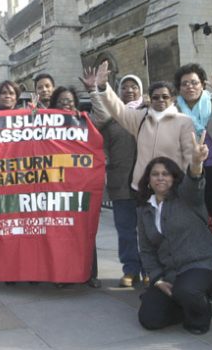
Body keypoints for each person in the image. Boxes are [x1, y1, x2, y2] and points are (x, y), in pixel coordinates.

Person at [136, 132, 212, 335]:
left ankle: (200, 316)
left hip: (201, 265)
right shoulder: (144, 210)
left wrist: (196, 162)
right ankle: (183, 304)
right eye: (155, 174)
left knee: (187, 291)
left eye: (165, 174)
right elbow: (146, 250)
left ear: (174, 178)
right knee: (149, 320)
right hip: (170, 273)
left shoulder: (187, 196)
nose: (160, 177)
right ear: (148, 180)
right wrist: (157, 280)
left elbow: (195, 179)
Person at [84, 61, 195, 198]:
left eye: (165, 97)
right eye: (156, 97)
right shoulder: (141, 118)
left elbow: (189, 157)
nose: (160, 100)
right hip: (144, 187)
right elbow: (118, 109)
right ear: (150, 99)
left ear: (172, 99)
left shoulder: (183, 122)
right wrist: (102, 87)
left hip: (172, 187)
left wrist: (186, 186)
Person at [174, 63, 212, 301]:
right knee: (195, 230)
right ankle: (197, 280)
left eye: (194, 82)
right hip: (188, 175)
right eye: (185, 83)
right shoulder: (172, 108)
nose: (190, 87)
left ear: (203, 84)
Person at [90, 74, 145, 288]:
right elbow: (97, 138)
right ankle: (130, 269)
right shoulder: (112, 116)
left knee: (147, 229)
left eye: (134, 87)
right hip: (120, 181)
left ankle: (149, 268)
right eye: (125, 87)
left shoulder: (148, 113)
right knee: (125, 230)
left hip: (146, 183)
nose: (129, 91)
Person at [48, 86, 101, 289]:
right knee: (61, 233)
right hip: (56, 187)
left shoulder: (84, 121)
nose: (66, 105)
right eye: (61, 102)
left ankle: (90, 274)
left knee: (85, 230)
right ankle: (63, 274)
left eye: (69, 101)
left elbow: (103, 117)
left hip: (81, 186)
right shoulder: (45, 125)